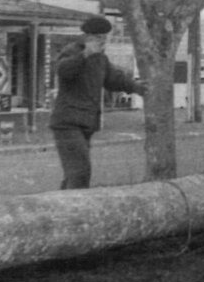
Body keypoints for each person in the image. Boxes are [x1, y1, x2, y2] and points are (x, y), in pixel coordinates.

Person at [49, 15, 148, 189]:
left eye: (104, 38)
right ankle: (75, 211)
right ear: (88, 37)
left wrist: (138, 88)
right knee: (80, 172)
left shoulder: (101, 59)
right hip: (68, 123)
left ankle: (61, 208)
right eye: (98, 38)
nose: (103, 42)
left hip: (85, 123)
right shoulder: (72, 51)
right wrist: (85, 54)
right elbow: (63, 71)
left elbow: (114, 79)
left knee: (75, 173)